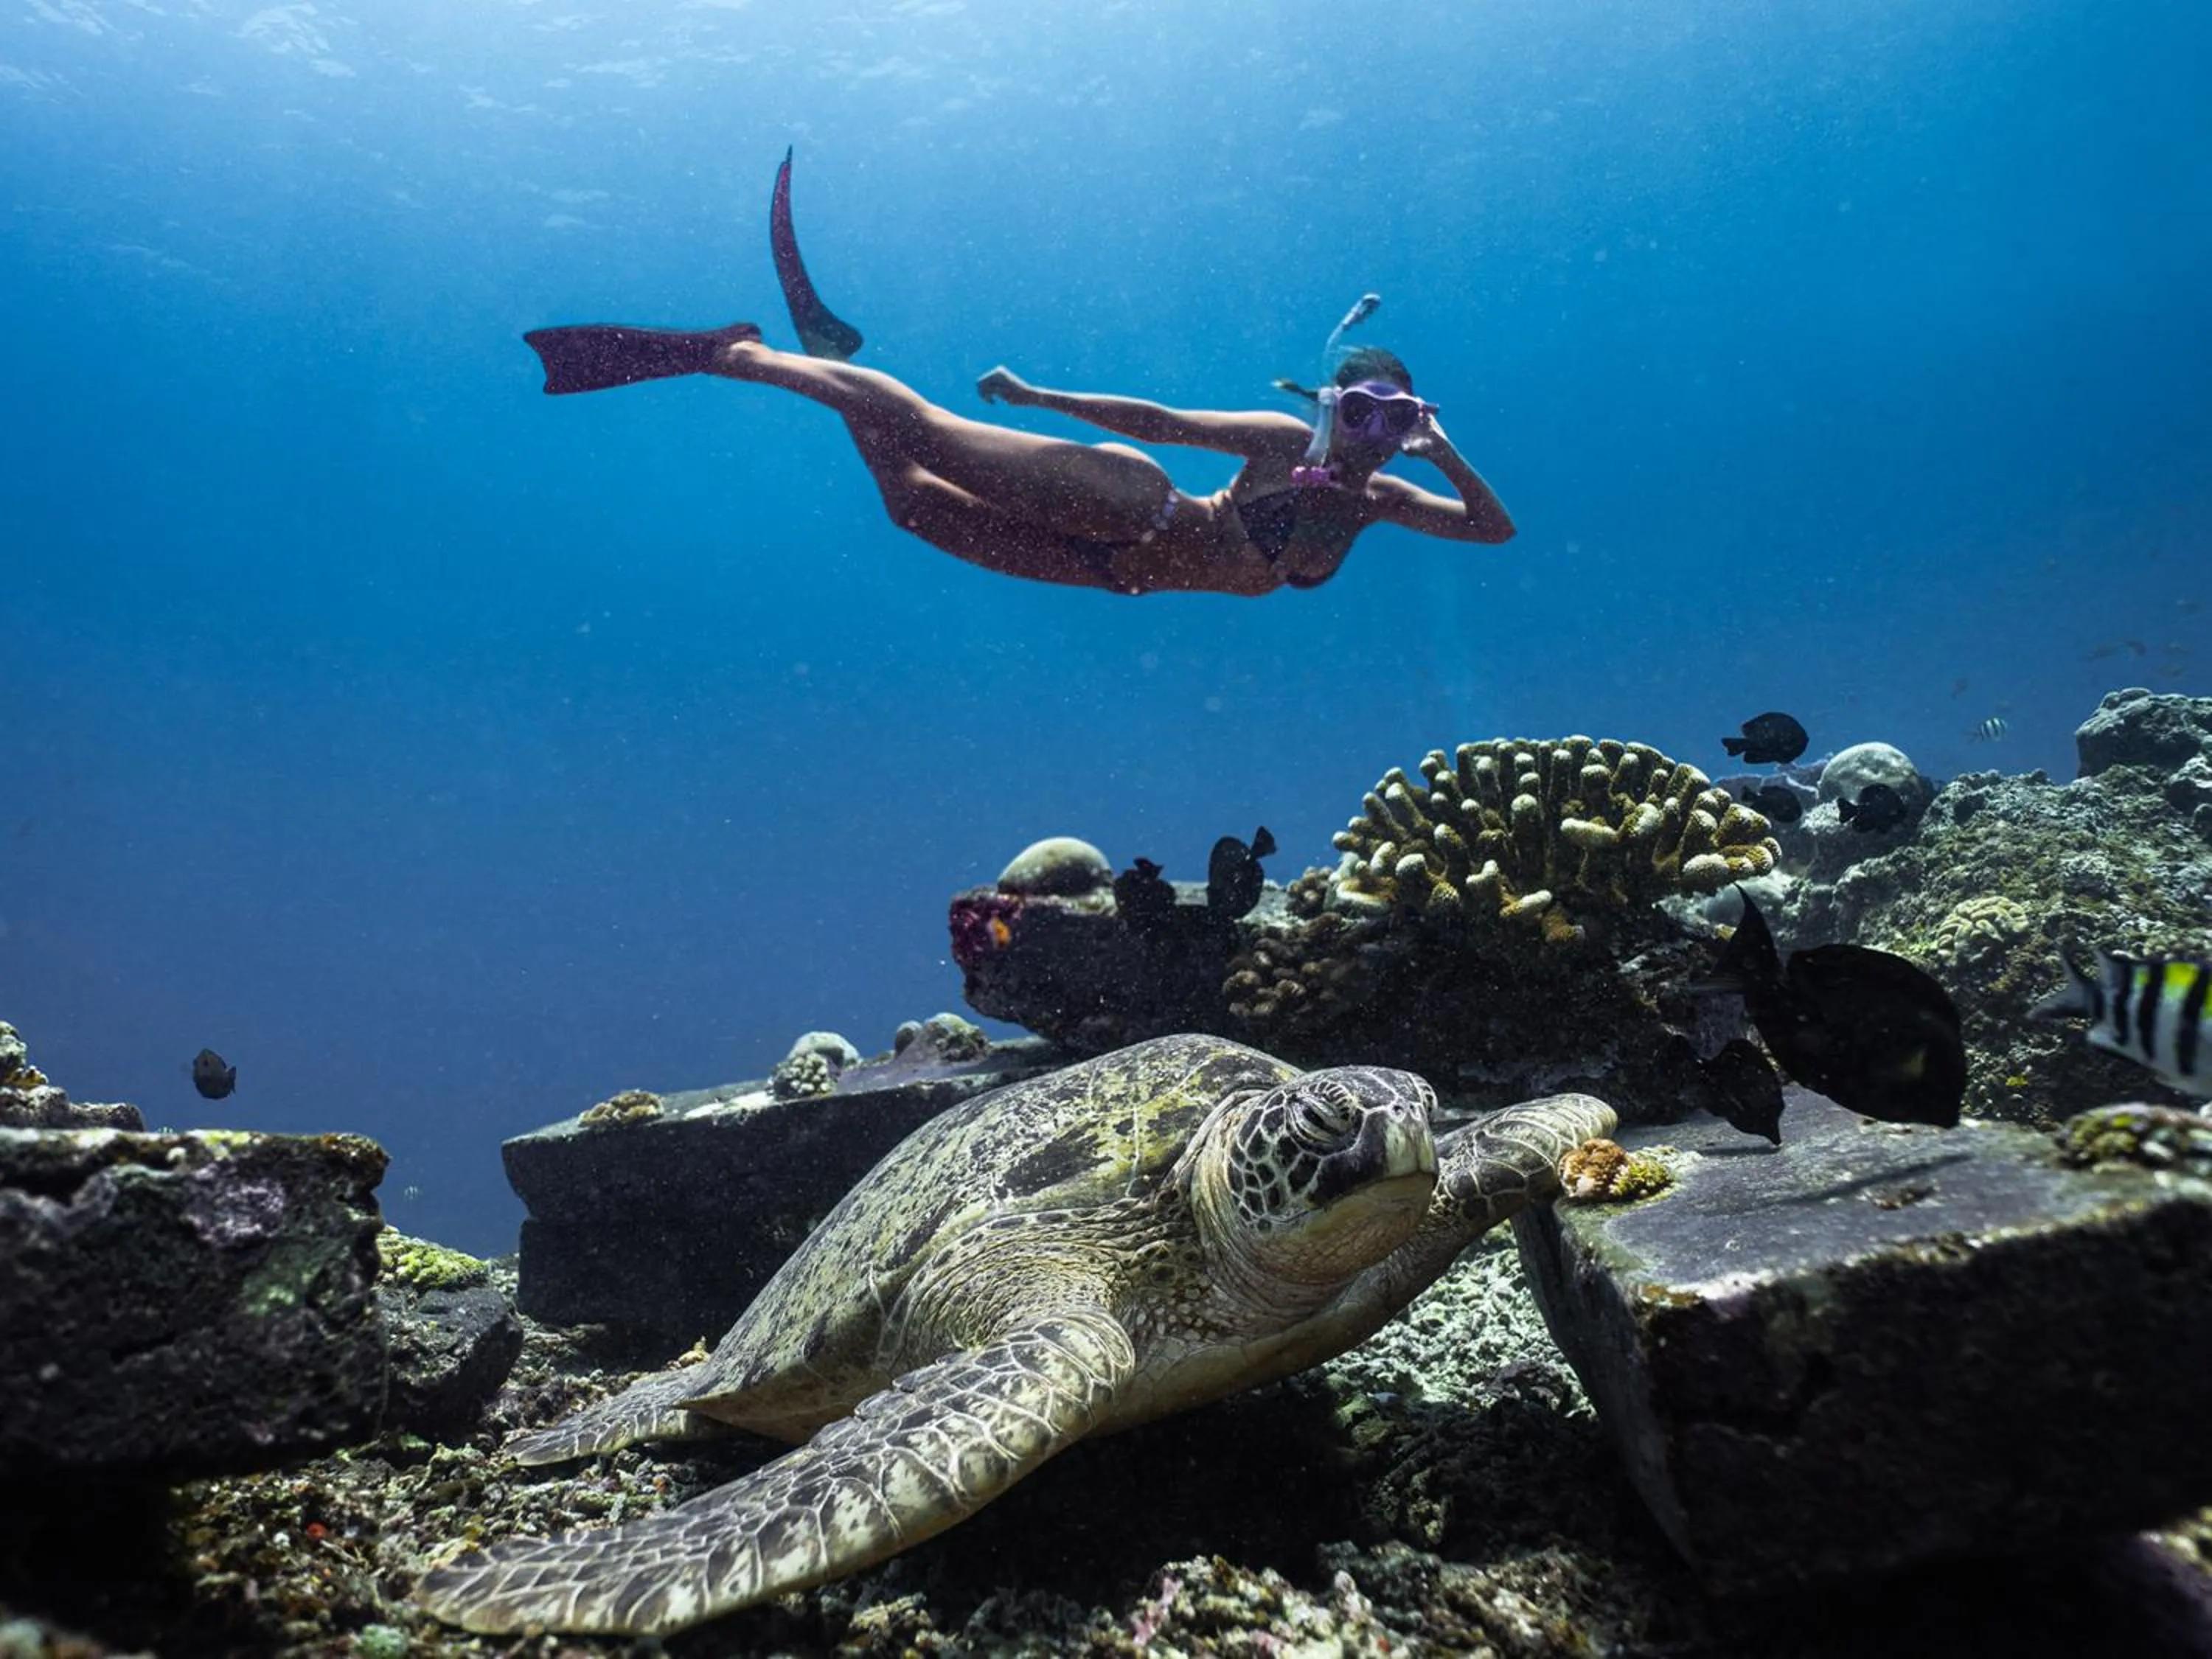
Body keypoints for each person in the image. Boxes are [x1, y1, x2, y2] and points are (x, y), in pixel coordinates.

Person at [521, 164, 1515, 597]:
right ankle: (737, 353)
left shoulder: (1382, 500)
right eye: (1359, 408)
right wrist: (1043, 401)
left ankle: (829, 351)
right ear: (1332, 406)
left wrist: (1446, 449)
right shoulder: (1276, 438)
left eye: (1394, 416)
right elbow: (1158, 420)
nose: (1373, 432)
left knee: (909, 505)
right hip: (1142, 507)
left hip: (1108, 573)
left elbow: (1491, 528)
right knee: (931, 437)